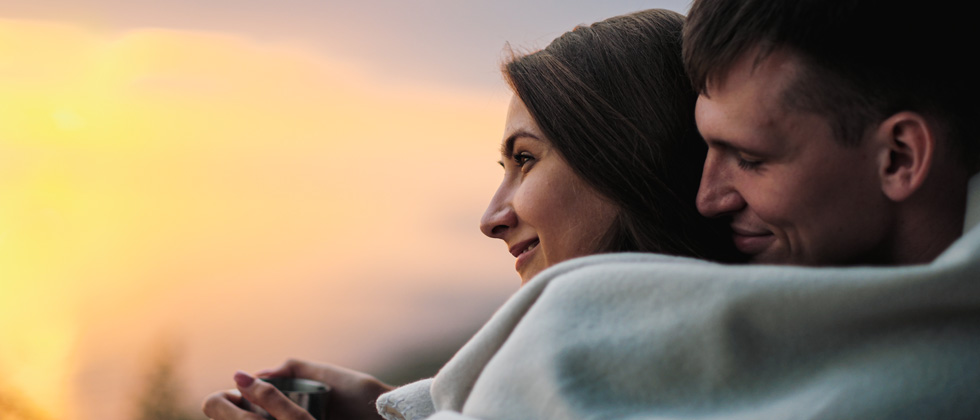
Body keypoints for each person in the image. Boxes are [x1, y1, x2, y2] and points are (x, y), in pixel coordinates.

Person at [358, 1, 979, 419]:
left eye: (750, 157)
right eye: (705, 146)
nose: (708, 197)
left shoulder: (570, 328)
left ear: (899, 157)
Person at [202, 8, 737, 420]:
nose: (491, 218)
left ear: (628, 160)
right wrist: (387, 403)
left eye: (525, 159)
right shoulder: (722, 354)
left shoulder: (601, 370)